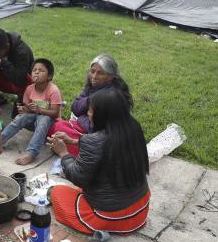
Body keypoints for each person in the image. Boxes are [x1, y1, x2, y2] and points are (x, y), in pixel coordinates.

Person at [48, 88, 150, 234]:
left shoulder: (95, 140)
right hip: (140, 208)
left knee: (57, 191)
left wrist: (63, 153)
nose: (88, 114)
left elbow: (78, 178)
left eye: (90, 111)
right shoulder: (133, 128)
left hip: (111, 216)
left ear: (103, 114)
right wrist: (73, 141)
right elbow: (105, 146)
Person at [48, 54, 132, 157]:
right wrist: (90, 100)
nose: (94, 76)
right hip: (86, 129)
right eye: (92, 71)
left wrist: (80, 119)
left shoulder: (113, 97)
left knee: (86, 147)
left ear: (110, 77)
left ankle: (74, 153)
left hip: (103, 137)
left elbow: (97, 128)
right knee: (57, 127)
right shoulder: (92, 86)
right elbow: (75, 108)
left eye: (100, 73)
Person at [1, 59, 62, 165]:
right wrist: (24, 109)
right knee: (20, 118)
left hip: (50, 123)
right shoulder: (29, 89)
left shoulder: (53, 90)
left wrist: (40, 110)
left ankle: (31, 153)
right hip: (34, 120)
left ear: (49, 76)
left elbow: (55, 113)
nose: (37, 72)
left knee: (44, 119)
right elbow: (27, 108)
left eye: (41, 70)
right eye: (34, 70)